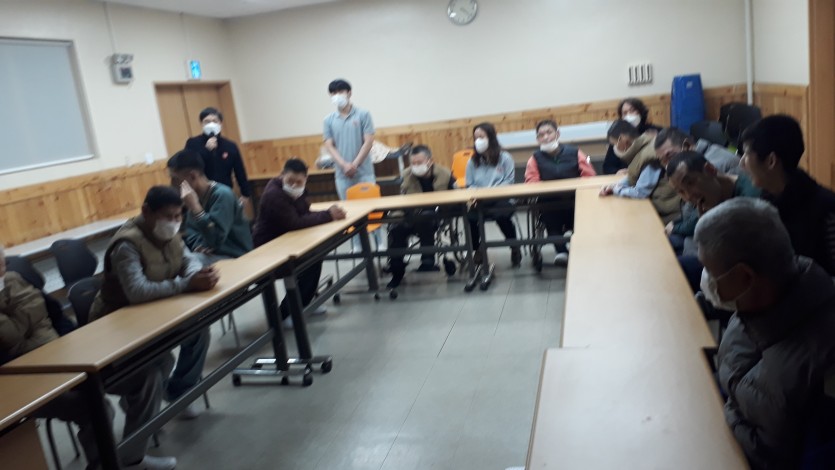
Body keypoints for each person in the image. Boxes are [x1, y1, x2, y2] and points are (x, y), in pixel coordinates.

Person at [0, 246, 178, 470]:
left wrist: (71, 344)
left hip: (65, 357)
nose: (2, 269)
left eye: (2, 262)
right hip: (26, 381)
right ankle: (103, 465)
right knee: (96, 408)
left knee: (146, 376)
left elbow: (57, 315)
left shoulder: (15, 279)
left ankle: (132, 457)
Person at [694, 197, 835, 469]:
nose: (706, 280)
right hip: (730, 433)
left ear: (746, 277)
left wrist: (726, 414)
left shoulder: (824, 365)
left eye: (710, 271)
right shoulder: (755, 303)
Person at [90, 186, 219, 419]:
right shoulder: (127, 244)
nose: (174, 222)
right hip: (121, 322)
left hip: (156, 311)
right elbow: (137, 291)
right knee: (161, 360)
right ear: (146, 212)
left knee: (198, 331)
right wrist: (187, 284)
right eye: (168, 216)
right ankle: (136, 404)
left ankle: (179, 393)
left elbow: (187, 259)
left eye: (178, 216)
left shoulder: (169, 233)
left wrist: (198, 274)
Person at [252, 158, 346, 325]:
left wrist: (328, 214)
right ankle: (286, 313)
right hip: (268, 250)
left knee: (315, 257)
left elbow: (305, 214)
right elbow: (295, 223)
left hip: (287, 243)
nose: (294, 185)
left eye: (299, 182)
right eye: (290, 181)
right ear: (282, 175)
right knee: (311, 259)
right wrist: (328, 215)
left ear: (305, 179)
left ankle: (304, 303)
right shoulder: (274, 195)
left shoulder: (297, 192)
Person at [740, 114, 835, 275]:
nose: (741, 163)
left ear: (771, 161)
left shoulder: (826, 209)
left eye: (746, 154)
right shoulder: (764, 200)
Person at [665, 151, 761, 291]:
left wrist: (709, 229)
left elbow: (739, 260)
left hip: (744, 277)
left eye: (690, 183)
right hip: (718, 261)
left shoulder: (749, 200)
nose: (688, 196)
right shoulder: (710, 198)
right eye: (680, 191)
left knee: (678, 268)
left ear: (710, 170)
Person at [524, 119, 596, 265]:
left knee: (581, 218)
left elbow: (589, 176)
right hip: (550, 202)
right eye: (541, 135)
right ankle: (562, 251)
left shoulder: (575, 153)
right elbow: (531, 181)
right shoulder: (534, 159)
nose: (545, 137)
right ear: (537, 139)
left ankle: (582, 249)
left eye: (549, 132)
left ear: (557, 134)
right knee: (550, 219)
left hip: (575, 200)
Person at [322, 79, 382, 251]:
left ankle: (379, 242)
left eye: (340, 92)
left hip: (364, 172)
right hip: (342, 174)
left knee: (372, 208)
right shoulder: (328, 120)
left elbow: (368, 141)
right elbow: (329, 145)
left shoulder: (363, 114)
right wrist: (343, 165)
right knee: (348, 209)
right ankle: (356, 244)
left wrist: (354, 164)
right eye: (333, 93)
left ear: (349, 93)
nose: (337, 96)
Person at [386, 145, 455, 289]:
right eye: (413, 163)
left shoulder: (445, 174)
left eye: (419, 162)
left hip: (436, 215)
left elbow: (457, 195)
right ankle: (396, 270)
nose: (416, 166)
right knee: (396, 228)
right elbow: (402, 199)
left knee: (425, 218)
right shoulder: (406, 175)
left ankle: (428, 260)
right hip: (410, 214)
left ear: (430, 161)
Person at [167, 149, 253, 262]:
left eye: (175, 179)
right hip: (212, 254)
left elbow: (216, 238)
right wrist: (198, 246)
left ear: (192, 176)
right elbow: (191, 232)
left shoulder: (222, 195)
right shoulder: (194, 196)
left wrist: (196, 208)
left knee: (187, 263)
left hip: (236, 256)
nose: (172, 184)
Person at [599, 120, 680, 225]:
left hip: (666, 213)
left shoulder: (650, 156)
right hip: (659, 207)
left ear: (622, 139)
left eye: (614, 144)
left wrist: (616, 190)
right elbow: (634, 176)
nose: (614, 148)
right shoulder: (644, 148)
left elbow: (641, 192)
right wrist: (615, 186)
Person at [466, 122, 521, 267]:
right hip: (481, 200)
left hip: (502, 198)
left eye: (481, 137)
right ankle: (477, 250)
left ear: (491, 137)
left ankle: (514, 246)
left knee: (501, 215)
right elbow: (469, 184)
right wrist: (479, 194)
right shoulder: (472, 161)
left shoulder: (505, 158)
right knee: (471, 217)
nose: (478, 140)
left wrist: (491, 192)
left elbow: (509, 181)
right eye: (476, 138)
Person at [184, 107, 252, 214]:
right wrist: (206, 151)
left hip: (225, 193)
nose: (211, 124)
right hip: (201, 195)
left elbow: (240, 170)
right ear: (202, 124)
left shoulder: (230, 146)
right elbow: (188, 166)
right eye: (207, 122)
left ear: (220, 123)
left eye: (214, 121)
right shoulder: (192, 143)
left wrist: (245, 194)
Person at [602, 98, 661, 174]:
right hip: (626, 177)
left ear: (640, 112)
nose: (629, 115)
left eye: (632, 111)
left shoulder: (656, 131)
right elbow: (607, 167)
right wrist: (617, 172)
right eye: (625, 113)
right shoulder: (618, 135)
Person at [654, 127, 739, 175]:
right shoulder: (691, 164)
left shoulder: (711, 168)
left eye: (670, 157)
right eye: (663, 162)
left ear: (687, 146)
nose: (668, 166)